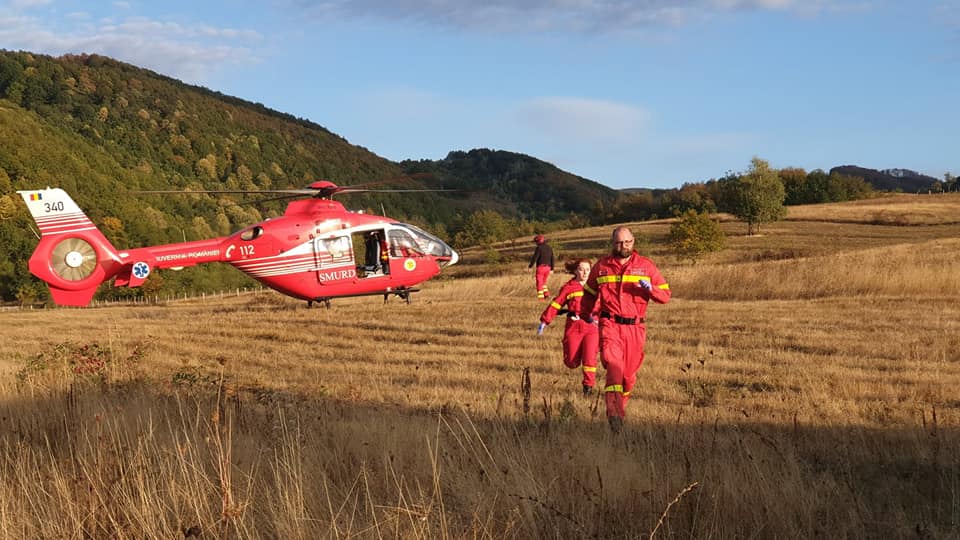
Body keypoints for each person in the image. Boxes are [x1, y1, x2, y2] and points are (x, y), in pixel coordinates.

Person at [581, 226, 671, 433]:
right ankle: (614, 416)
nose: (623, 246)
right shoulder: (602, 267)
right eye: (619, 243)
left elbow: (666, 296)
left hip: (635, 328)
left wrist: (651, 289)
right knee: (614, 367)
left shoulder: (646, 267)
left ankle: (621, 407)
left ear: (634, 241)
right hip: (609, 325)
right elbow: (588, 294)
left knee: (628, 376)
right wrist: (588, 315)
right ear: (612, 243)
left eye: (627, 242)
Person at [537, 258, 600, 396]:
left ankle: (588, 388)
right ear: (575, 271)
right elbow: (556, 304)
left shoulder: (597, 287)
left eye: (588, 270)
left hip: (592, 327)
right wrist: (545, 321)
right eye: (581, 269)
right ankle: (572, 356)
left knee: (590, 358)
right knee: (571, 362)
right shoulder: (569, 287)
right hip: (574, 326)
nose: (585, 273)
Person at [528, 234, 554, 300]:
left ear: (539, 241)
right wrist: (552, 269)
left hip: (541, 268)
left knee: (539, 283)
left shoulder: (539, 248)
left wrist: (530, 266)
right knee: (543, 282)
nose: (536, 243)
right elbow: (552, 258)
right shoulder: (549, 248)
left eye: (536, 242)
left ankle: (541, 298)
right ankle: (546, 295)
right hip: (548, 268)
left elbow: (535, 258)